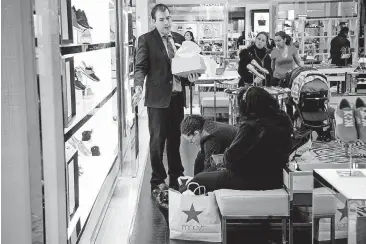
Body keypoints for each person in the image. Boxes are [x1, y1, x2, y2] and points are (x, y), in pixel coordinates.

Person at [132, 4, 200, 196]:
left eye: (168, 18)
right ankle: (157, 180)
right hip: (157, 101)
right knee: (157, 142)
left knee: (175, 141)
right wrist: (138, 85)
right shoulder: (146, 40)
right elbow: (140, 67)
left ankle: (176, 176)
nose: (166, 22)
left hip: (177, 99)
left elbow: (185, 68)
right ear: (154, 21)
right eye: (161, 19)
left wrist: (190, 77)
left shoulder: (179, 39)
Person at [183, 86, 293, 192]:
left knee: (198, 179)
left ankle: (174, 199)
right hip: (276, 175)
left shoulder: (251, 126)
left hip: (253, 177)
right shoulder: (283, 119)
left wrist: (223, 161)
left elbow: (231, 157)